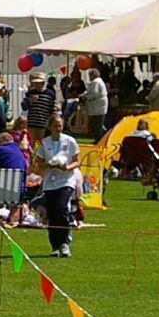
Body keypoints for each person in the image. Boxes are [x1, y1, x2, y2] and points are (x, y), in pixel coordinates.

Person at [34, 112, 81, 257]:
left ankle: (64, 243)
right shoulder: (44, 143)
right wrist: (48, 165)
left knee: (61, 208)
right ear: (50, 127)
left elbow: (77, 161)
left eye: (60, 126)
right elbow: (38, 164)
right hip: (50, 182)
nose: (58, 129)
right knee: (52, 213)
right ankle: (55, 245)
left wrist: (66, 167)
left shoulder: (70, 141)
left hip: (66, 180)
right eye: (55, 126)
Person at [82, 69, 109, 141]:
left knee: (98, 124)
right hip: (98, 106)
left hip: (98, 107)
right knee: (98, 123)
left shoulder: (96, 82)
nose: (89, 77)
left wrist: (86, 97)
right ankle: (104, 135)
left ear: (93, 75)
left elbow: (94, 94)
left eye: (90, 75)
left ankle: (100, 138)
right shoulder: (98, 81)